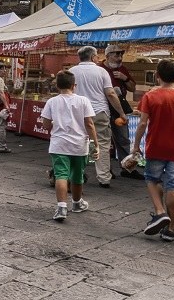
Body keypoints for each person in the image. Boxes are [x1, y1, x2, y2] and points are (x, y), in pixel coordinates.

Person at [132, 58, 174, 243]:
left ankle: (160, 212)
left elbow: (143, 123)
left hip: (156, 146)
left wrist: (136, 145)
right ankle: (170, 229)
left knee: (152, 179)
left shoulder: (150, 97)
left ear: (157, 75)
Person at [39, 70, 100, 221]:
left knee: (61, 175)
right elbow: (89, 124)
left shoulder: (52, 102)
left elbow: (45, 124)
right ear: (74, 85)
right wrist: (96, 144)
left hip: (59, 144)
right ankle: (77, 203)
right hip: (79, 145)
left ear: (57, 86)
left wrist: (55, 124)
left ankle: (61, 207)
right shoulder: (83, 101)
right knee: (77, 176)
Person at [68, 45, 125, 187]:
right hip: (99, 112)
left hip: (77, 112)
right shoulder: (101, 72)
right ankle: (104, 177)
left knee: (78, 143)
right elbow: (111, 93)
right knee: (103, 144)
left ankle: (77, 173)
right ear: (94, 57)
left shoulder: (71, 71)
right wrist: (121, 113)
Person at [103, 44, 140, 178]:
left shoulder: (122, 69)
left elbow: (132, 88)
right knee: (105, 141)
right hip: (105, 109)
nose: (119, 57)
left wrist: (125, 78)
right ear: (107, 56)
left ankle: (127, 168)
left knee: (123, 139)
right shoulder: (100, 69)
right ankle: (105, 170)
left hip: (119, 110)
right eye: (116, 54)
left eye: (121, 54)